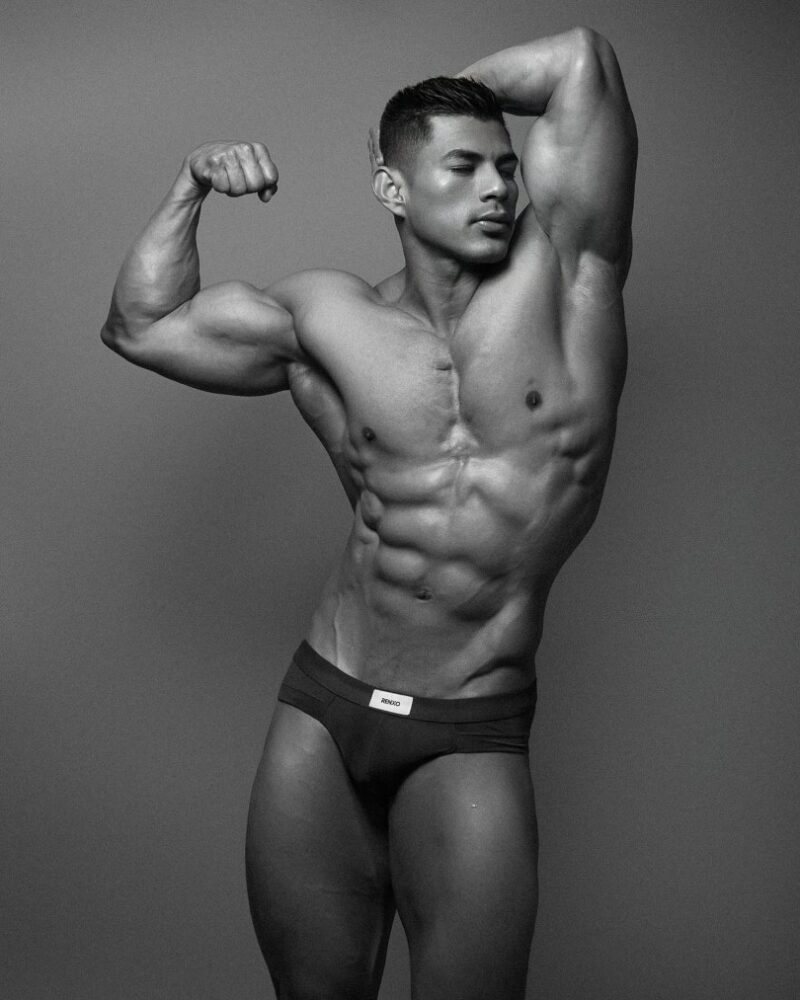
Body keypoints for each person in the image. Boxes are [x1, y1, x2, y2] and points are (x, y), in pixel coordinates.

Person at [102, 26, 636, 1000]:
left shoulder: (568, 281)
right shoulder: (330, 321)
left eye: (503, 167)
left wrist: (433, 107)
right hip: (325, 708)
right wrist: (189, 187)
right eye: (461, 168)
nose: (495, 188)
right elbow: (142, 325)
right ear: (392, 188)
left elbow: (581, 61)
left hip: (466, 723)